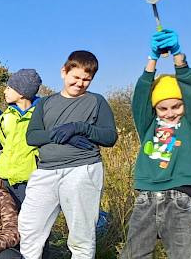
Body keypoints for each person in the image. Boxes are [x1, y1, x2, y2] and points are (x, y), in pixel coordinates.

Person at [19, 51, 118, 259]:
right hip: (45, 171)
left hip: (83, 169)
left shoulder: (96, 101)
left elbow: (109, 137)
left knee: (81, 235)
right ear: (64, 72)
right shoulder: (45, 103)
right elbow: (33, 136)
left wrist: (79, 127)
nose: (80, 83)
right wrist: (62, 135)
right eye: (76, 77)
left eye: (86, 79)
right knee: (29, 227)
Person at [121, 29, 191, 258]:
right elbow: (140, 97)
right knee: (134, 254)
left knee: (185, 254)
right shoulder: (148, 125)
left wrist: (178, 56)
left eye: (176, 106)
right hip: (146, 197)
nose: (169, 113)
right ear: (155, 108)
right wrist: (152, 59)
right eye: (163, 108)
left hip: (179, 198)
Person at [0, 69, 42, 208]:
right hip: (5, 177)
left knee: (28, 223)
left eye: (9, 88)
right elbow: (4, 142)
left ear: (22, 92)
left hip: (29, 179)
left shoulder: (40, 115)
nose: (5, 91)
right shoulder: (6, 116)